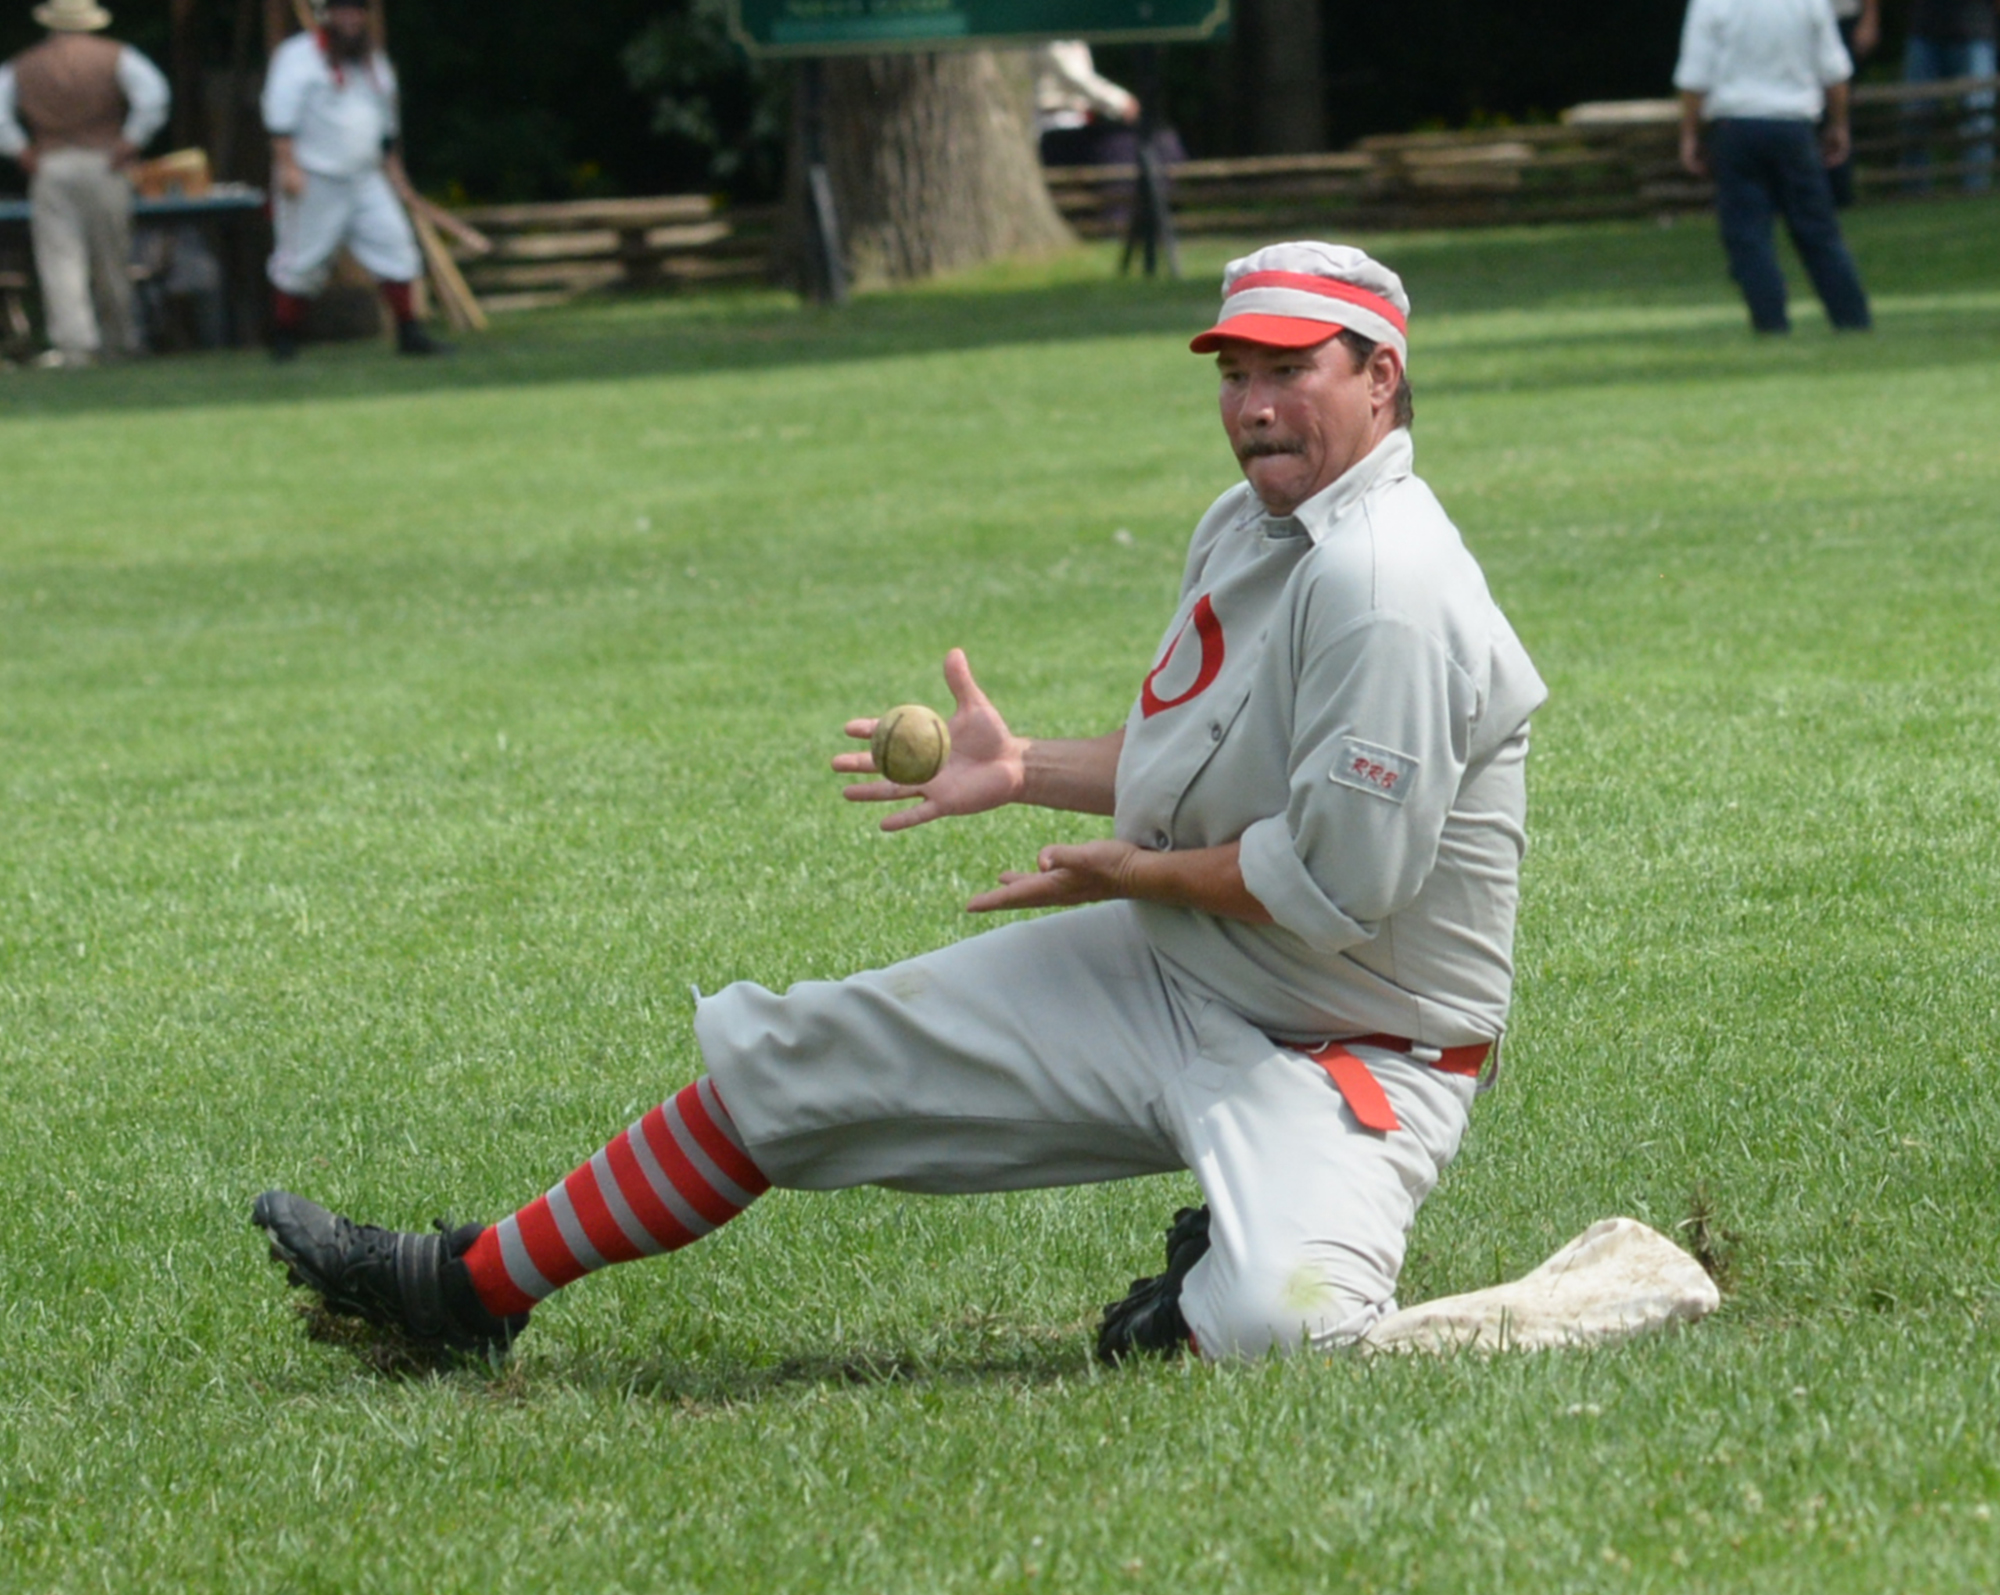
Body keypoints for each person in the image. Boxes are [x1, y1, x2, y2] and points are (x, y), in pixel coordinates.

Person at [252, 241, 1550, 1366]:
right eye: (1233, 373)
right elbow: (1207, 768)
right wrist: (1027, 765)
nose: (1256, 406)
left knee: (1279, 1327)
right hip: (1194, 964)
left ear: (1380, 376)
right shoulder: (1250, 524)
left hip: (1357, 1043)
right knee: (806, 1054)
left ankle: (1215, 1274)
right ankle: (465, 1290)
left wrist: (1130, 876)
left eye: (1291, 370)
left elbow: (1332, 887)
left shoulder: (1389, 587)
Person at [260, 0, 445, 360]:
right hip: (315, 175)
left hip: (366, 177)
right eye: (342, 10)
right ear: (327, 15)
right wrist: (288, 166)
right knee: (301, 263)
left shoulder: (372, 61)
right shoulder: (298, 56)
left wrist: (398, 179)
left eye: (356, 10)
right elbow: (280, 116)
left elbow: (387, 126)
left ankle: (409, 333)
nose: (350, 18)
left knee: (396, 248)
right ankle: (283, 339)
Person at [1675, 0, 1873, 335]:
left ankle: (1770, 321)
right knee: (1818, 229)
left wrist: (1690, 134)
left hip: (1735, 127)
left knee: (1747, 234)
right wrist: (1839, 124)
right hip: (1794, 126)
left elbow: (1695, 77)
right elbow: (1835, 71)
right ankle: (1851, 317)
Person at [0, 0, 168, 368]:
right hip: (105, 163)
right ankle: (119, 339)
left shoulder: (25, 64)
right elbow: (154, 97)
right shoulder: (117, 56)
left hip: (51, 166)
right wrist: (132, 140)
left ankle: (75, 346)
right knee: (112, 255)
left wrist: (19, 150)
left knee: (60, 259)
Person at [1900, 0, 1997, 193]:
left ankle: (1976, 191)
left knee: (1978, 116)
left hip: (1975, 27)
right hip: (1924, 29)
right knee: (1914, 115)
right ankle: (1915, 194)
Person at [1827, 0, 1880, 206]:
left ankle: (1840, 192)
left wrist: (1869, 18)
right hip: (1796, 20)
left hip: (1842, 17)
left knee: (1840, 107)